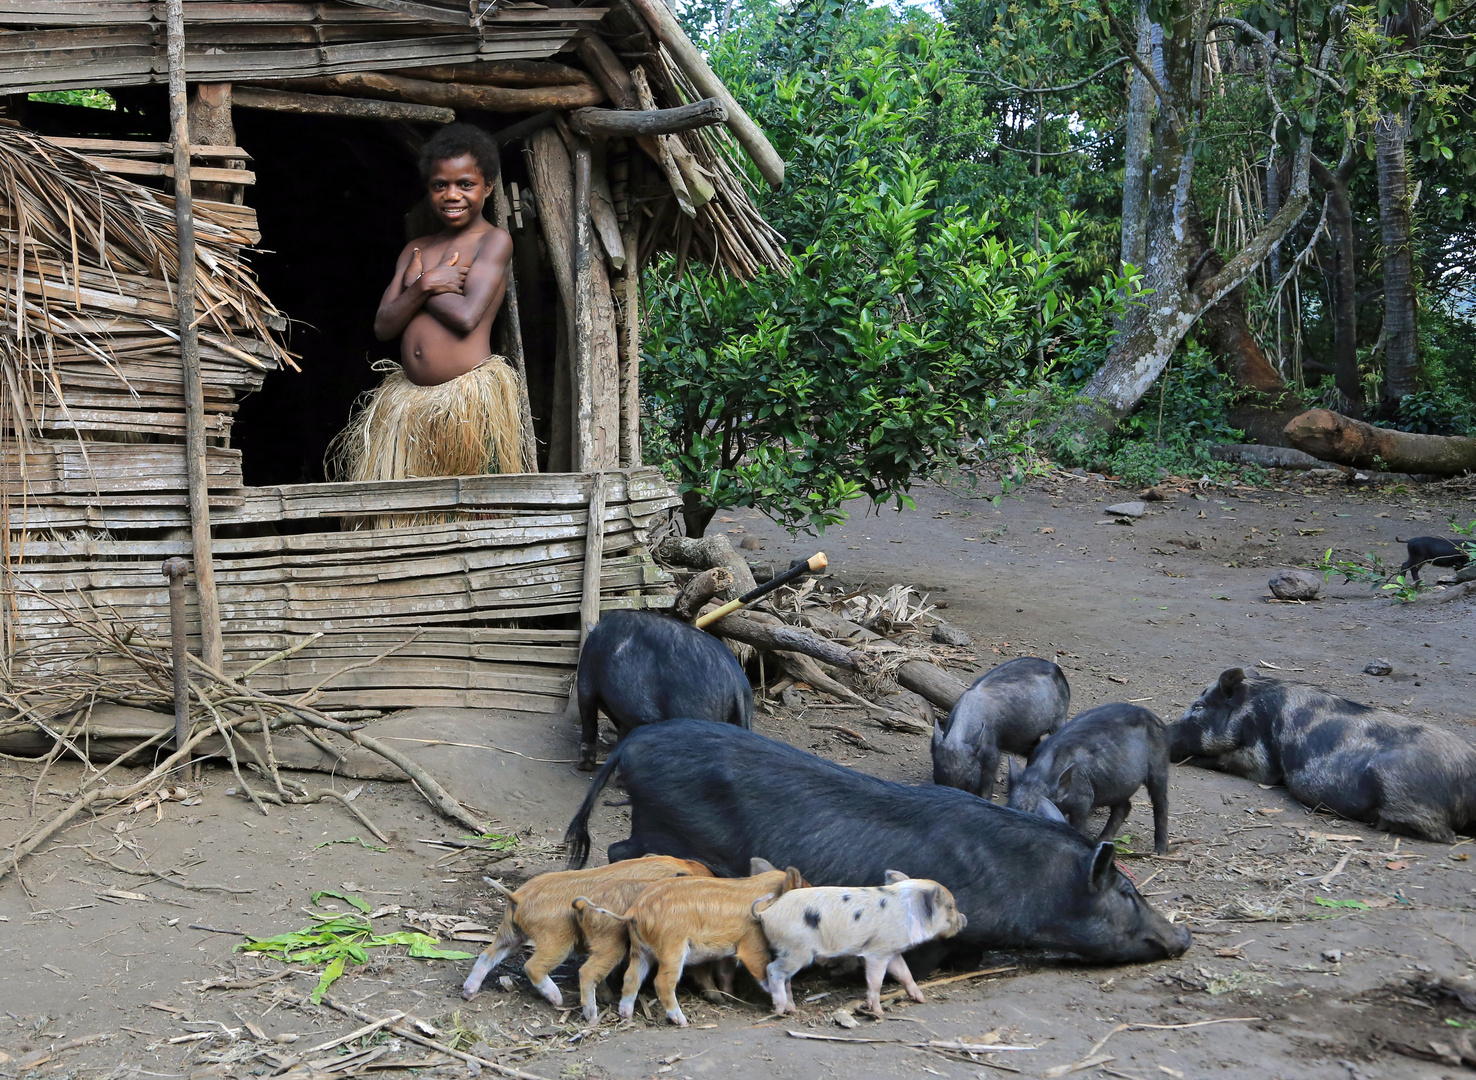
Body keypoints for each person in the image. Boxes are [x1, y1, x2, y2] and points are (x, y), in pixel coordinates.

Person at [327, 123, 525, 489]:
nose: (453, 195)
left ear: (489, 187)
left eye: (466, 184)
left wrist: (417, 286)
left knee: (467, 508)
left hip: (465, 404)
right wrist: (427, 284)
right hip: (409, 404)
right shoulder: (415, 247)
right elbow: (384, 325)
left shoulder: (494, 241)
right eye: (440, 185)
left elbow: (467, 317)